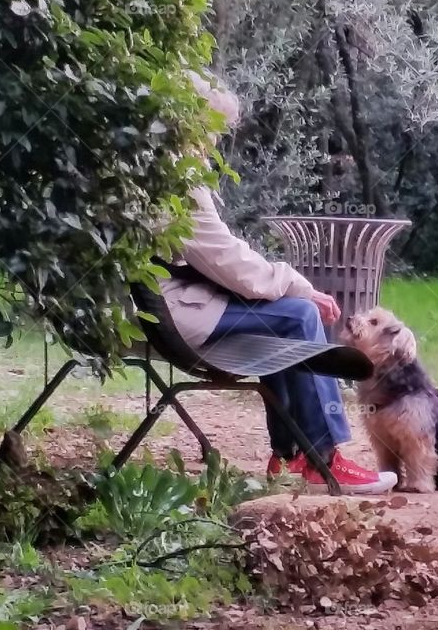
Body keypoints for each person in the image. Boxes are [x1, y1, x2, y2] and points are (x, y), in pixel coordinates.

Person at [157, 71, 397, 495]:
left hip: (156, 305)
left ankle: (290, 453)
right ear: (191, 122)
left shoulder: (150, 166)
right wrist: (295, 283)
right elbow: (225, 259)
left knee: (283, 319)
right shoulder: (177, 176)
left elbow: (214, 258)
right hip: (167, 314)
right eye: (213, 129)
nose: (215, 141)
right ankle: (322, 457)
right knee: (298, 315)